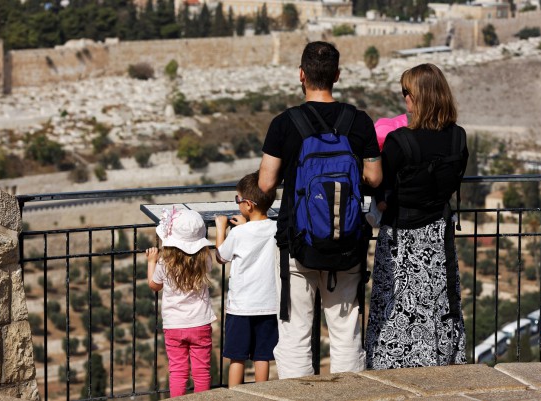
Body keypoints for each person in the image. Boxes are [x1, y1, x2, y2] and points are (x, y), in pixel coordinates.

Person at [258, 41, 382, 379]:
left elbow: (267, 184)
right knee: (346, 334)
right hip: (347, 242)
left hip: (297, 243)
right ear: (337, 76)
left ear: (301, 75)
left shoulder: (285, 124)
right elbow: (374, 176)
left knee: (295, 335)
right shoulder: (358, 121)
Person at [365, 63, 468, 369]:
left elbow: (378, 182)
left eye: (406, 93)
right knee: (439, 304)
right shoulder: (458, 138)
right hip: (439, 235)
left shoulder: (400, 142)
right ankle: (441, 362)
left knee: (395, 307)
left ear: (418, 97)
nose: (404, 100)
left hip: (402, 240)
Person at [214, 171, 278, 387]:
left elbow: (221, 256)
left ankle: (234, 395)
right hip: (268, 304)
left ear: (248, 205)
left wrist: (222, 229)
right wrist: (246, 225)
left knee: (237, 356)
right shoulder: (276, 228)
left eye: (238, 200)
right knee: (262, 355)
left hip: (241, 306)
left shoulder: (239, 234)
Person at [146, 208, 216, 396]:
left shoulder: (164, 263)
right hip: (200, 323)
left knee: (177, 371)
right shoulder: (204, 260)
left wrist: (152, 261)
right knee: (201, 372)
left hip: (174, 325)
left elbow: (154, 285)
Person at [365, 114, 408, 228]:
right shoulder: (388, 159)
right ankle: (371, 216)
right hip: (383, 196)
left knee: (367, 205)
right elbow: (379, 182)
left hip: (370, 195)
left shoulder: (372, 157)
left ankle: (368, 217)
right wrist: (380, 200)